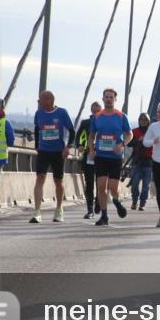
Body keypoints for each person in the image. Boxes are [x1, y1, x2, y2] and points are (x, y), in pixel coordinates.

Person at [88, 87, 133, 226]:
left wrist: (122, 144)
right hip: (101, 156)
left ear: (115, 99)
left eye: (111, 97)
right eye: (106, 97)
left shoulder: (121, 116)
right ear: (103, 99)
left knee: (113, 188)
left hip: (115, 157)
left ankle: (116, 201)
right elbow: (91, 136)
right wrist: (91, 149)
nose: (108, 99)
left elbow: (130, 134)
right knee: (101, 186)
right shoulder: (97, 117)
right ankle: (104, 215)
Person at [30, 90, 76, 223]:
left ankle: (59, 209)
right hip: (44, 151)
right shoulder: (39, 113)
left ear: (49, 100)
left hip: (58, 152)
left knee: (58, 181)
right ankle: (37, 212)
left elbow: (72, 131)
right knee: (40, 178)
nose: (38, 102)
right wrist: (37, 145)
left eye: (40, 99)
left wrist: (68, 147)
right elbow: (37, 129)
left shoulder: (62, 113)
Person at [75, 101, 102, 218]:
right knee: (89, 183)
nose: (96, 111)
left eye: (98, 110)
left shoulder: (105, 122)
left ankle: (98, 202)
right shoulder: (85, 123)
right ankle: (90, 209)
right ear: (91, 110)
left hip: (102, 156)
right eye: (94, 109)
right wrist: (79, 145)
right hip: (88, 155)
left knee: (100, 183)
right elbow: (78, 137)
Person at [128, 113, 153, 211]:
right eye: (141, 119)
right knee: (134, 184)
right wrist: (138, 140)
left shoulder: (152, 132)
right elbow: (129, 144)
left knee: (146, 186)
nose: (143, 121)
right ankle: (134, 201)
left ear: (148, 121)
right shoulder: (134, 131)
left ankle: (142, 203)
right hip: (137, 161)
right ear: (139, 121)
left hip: (148, 162)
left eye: (145, 120)